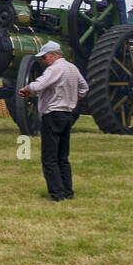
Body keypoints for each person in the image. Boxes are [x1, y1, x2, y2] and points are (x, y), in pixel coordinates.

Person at [20, 40, 89, 201]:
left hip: (52, 114)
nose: (43, 61)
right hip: (67, 114)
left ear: (54, 55)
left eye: (44, 58)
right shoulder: (72, 68)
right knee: (62, 157)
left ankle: (57, 193)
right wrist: (72, 98)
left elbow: (39, 85)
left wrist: (27, 88)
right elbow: (84, 88)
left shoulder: (55, 68)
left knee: (49, 158)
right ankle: (68, 191)